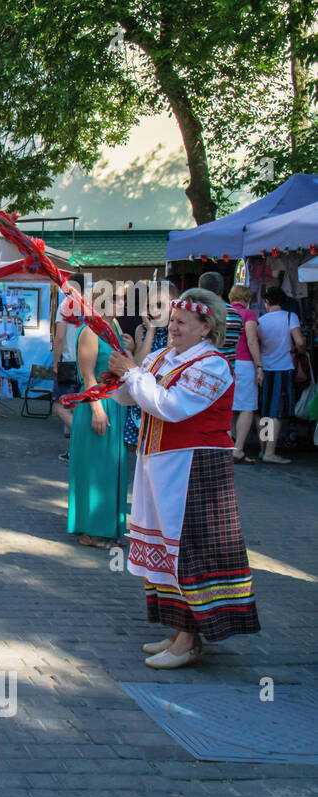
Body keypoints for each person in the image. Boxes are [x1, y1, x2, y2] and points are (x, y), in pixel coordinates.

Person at [108, 288, 260, 668]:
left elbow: (170, 406)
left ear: (205, 327)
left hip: (193, 468)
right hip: (160, 465)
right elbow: (132, 400)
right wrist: (125, 376)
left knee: (187, 549)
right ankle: (178, 631)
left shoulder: (212, 365)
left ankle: (189, 640)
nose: (172, 328)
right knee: (165, 547)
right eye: (171, 321)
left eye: (180, 323)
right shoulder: (164, 356)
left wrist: (133, 375)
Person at [67, 288, 128, 549]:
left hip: (116, 404)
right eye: (116, 298)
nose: (122, 303)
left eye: (123, 298)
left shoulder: (112, 326)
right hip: (98, 404)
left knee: (113, 468)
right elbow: (87, 374)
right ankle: (91, 531)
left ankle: (110, 527)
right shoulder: (90, 331)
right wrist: (97, 409)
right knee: (96, 470)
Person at [255, 285, 305, 464]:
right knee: (276, 411)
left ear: (266, 301)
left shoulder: (261, 320)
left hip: (264, 369)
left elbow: (256, 343)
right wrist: (299, 350)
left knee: (265, 412)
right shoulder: (291, 317)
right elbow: (299, 342)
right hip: (283, 367)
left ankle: (263, 449)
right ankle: (270, 451)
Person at [122, 279, 174, 449]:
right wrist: (150, 331)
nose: (155, 310)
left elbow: (169, 362)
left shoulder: (176, 330)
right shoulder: (142, 329)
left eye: (160, 305)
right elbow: (138, 364)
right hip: (142, 397)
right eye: (151, 305)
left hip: (163, 397)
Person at [51, 272, 87, 457]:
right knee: (77, 407)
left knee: (60, 407)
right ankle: (76, 449)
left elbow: (59, 338)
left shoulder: (65, 306)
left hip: (68, 362)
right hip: (85, 363)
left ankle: (84, 439)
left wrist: (56, 363)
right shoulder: (88, 306)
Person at [227, 284, 262, 463]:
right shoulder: (249, 315)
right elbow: (252, 340)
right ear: (247, 298)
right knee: (247, 407)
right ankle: (238, 449)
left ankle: (229, 444)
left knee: (231, 406)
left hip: (226, 362)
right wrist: (259, 366)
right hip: (244, 363)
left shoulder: (223, 313)